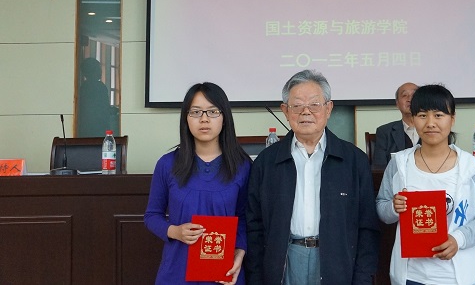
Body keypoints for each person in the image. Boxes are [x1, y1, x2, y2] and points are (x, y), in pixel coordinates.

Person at [246, 69, 380, 285]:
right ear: (285, 111)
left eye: (314, 104)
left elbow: (367, 228)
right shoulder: (266, 162)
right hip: (284, 260)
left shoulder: (354, 160)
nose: (306, 112)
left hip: (337, 262)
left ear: (329, 109)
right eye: (297, 105)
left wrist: (362, 279)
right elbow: (254, 226)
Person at [376, 84, 475, 285]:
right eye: (422, 115)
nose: (430, 123)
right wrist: (393, 208)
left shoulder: (469, 166)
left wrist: (458, 239)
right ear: (413, 119)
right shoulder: (399, 163)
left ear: (452, 119)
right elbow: (382, 208)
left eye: (439, 115)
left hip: (457, 277)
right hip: (411, 276)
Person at [145, 82, 251, 285]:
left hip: (224, 272)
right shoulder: (167, 164)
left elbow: (245, 218)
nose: (204, 119)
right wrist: (175, 231)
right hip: (177, 271)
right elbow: (152, 216)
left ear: (224, 118)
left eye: (213, 111)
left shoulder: (242, 166)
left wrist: (240, 251)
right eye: (195, 112)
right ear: (186, 118)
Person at [373, 82, 419, 167]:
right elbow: (379, 167)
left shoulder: (433, 129)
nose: (409, 99)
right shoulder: (384, 132)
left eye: (414, 95)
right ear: (397, 104)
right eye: (404, 95)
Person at [76, 57, 112, 137]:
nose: (101, 71)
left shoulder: (82, 87)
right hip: (98, 128)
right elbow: (104, 109)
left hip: (84, 129)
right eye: (98, 68)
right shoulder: (100, 87)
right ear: (93, 71)